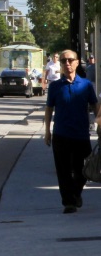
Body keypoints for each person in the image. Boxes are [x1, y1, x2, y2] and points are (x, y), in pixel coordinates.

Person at [44, 50, 101, 213]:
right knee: (63, 171)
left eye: (70, 60)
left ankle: (76, 193)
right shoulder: (55, 86)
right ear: (60, 65)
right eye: (63, 61)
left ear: (77, 62)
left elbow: (96, 105)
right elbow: (49, 109)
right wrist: (47, 131)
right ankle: (68, 202)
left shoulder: (86, 85)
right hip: (61, 134)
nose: (67, 63)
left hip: (81, 135)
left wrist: (99, 124)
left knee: (83, 170)